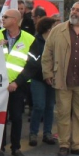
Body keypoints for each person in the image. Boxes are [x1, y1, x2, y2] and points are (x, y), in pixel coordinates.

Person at [41, 1, 79, 156]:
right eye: (73, 9)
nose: (74, 12)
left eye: (78, 10)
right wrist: (47, 73)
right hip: (63, 80)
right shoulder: (58, 30)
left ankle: (77, 144)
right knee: (63, 113)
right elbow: (47, 53)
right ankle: (64, 144)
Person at [0, 9, 35, 156]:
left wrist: (16, 82)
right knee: (0, 118)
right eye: (3, 17)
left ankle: (16, 148)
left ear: (15, 20)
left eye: (6, 17)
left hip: (18, 85)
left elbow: (32, 65)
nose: (3, 19)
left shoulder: (29, 39)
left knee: (16, 117)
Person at [23, 17, 58, 147]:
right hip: (38, 78)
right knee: (39, 106)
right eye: (54, 26)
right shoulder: (35, 42)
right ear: (48, 28)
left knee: (50, 106)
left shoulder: (56, 41)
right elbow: (33, 60)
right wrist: (45, 73)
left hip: (53, 78)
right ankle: (33, 133)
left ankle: (47, 133)